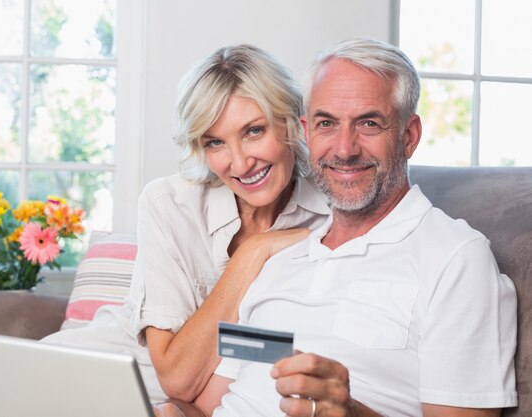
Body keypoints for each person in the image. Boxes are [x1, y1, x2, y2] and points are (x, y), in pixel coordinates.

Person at [173, 38, 517, 417]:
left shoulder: (456, 258)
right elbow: (208, 406)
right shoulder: (279, 259)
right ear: (306, 132)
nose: (343, 148)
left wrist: (349, 411)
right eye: (326, 124)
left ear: (409, 136)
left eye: (369, 123)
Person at [41, 44, 330, 403]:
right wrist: (253, 253)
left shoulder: (332, 214)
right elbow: (177, 378)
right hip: (91, 367)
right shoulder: (168, 203)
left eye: (254, 131)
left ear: (291, 121)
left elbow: (291, 345)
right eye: (215, 142)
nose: (239, 164)